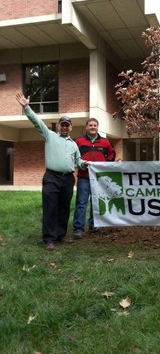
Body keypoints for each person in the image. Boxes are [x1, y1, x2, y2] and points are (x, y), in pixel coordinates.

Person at [16, 92, 90, 251]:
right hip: (52, 177)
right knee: (50, 208)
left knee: (64, 207)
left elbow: (78, 161)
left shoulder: (74, 145)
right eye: (62, 124)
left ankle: (61, 234)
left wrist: (84, 164)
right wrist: (27, 107)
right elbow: (37, 122)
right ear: (58, 126)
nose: (64, 127)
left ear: (71, 127)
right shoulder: (49, 136)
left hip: (68, 179)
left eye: (67, 125)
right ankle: (49, 239)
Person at [73, 118, 116, 239]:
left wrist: (106, 164)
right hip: (84, 177)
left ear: (98, 127)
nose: (93, 127)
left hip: (98, 178)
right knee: (81, 202)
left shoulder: (105, 142)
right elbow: (73, 155)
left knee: (95, 202)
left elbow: (112, 154)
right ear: (86, 127)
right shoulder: (79, 141)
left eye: (95, 125)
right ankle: (78, 228)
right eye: (90, 125)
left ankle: (93, 224)